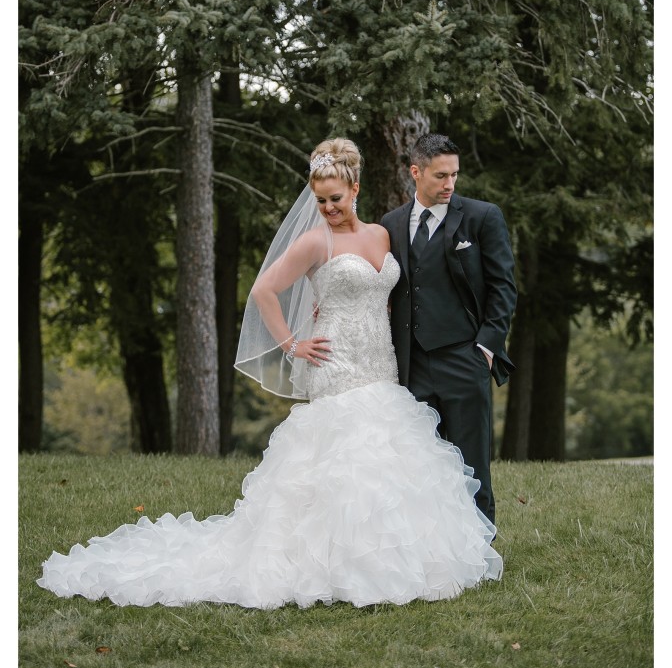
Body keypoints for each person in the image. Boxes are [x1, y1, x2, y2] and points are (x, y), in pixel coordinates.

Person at [37, 138, 501, 610]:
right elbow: (264, 290)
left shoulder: (383, 234)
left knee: (389, 455)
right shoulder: (314, 239)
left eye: (336, 199)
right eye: (319, 200)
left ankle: (404, 554)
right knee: (345, 455)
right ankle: (331, 563)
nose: (328, 209)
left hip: (380, 362)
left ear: (355, 190)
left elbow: (391, 294)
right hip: (335, 362)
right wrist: (293, 344)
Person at [381, 133, 517, 524]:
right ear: (415, 173)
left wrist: (487, 348)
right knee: (420, 463)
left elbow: (503, 287)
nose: (449, 184)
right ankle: (431, 545)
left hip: (464, 357)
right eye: (441, 176)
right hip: (411, 365)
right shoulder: (390, 225)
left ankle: (481, 546)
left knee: (472, 461)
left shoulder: (481, 217)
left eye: (454, 175)